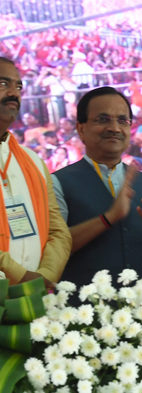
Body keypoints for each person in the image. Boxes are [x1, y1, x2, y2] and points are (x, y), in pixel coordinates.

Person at [53, 86, 142, 287]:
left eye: (122, 121)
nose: (115, 128)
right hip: (84, 313)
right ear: (81, 129)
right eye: (103, 119)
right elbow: (51, 252)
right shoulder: (57, 184)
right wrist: (108, 218)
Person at [0, 57, 71, 285]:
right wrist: (20, 275)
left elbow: (58, 229)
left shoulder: (33, 161)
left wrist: (45, 276)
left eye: (18, 86)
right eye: (3, 84)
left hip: (34, 295)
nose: (14, 93)